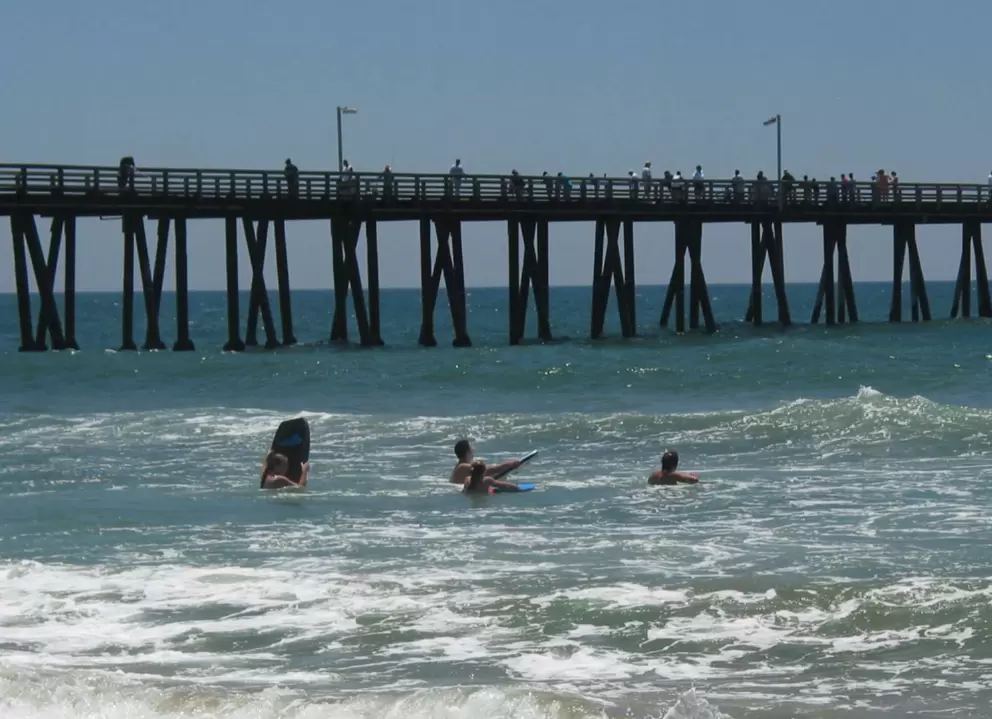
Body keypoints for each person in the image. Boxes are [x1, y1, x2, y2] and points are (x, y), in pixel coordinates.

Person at [449, 439, 520, 484]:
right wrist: (510, 464)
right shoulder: (463, 466)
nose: (474, 449)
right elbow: (491, 470)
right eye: (471, 447)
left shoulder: (460, 466)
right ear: (467, 452)